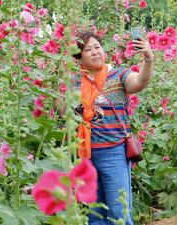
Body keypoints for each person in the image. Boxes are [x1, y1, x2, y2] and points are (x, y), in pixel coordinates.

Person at [71, 30, 154, 225]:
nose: (95, 52)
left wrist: (148, 58)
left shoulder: (118, 75)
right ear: (79, 57)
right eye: (88, 49)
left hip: (113, 153)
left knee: (119, 213)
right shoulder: (73, 83)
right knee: (93, 214)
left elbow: (140, 81)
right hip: (85, 155)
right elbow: (64, 113)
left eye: (97, 47)